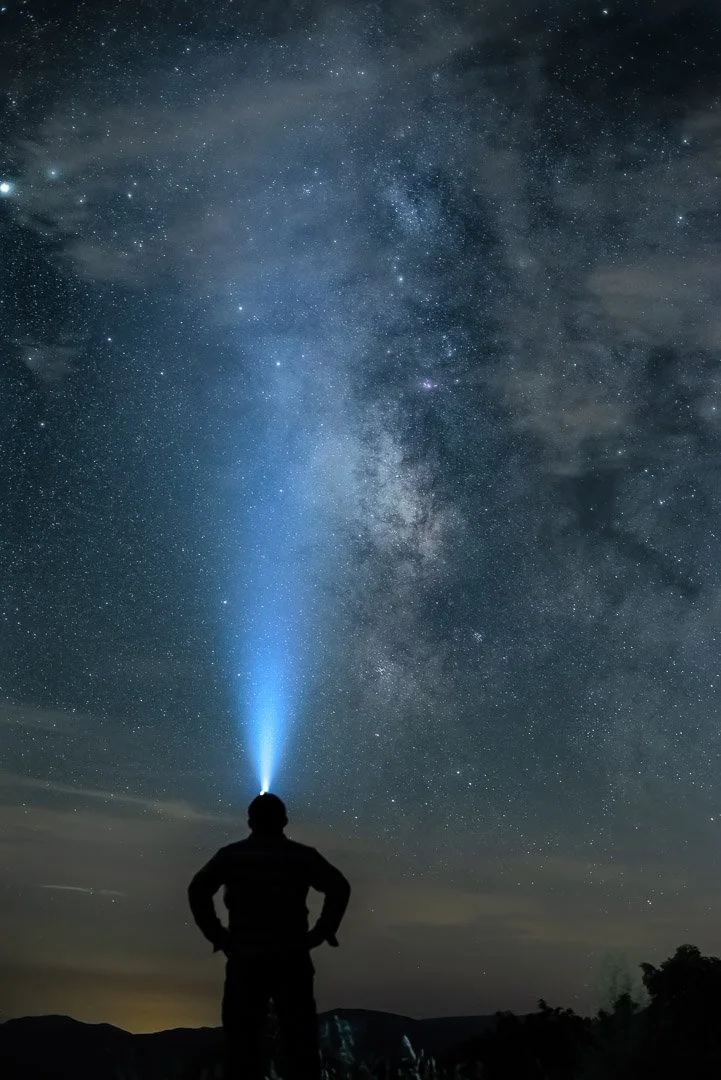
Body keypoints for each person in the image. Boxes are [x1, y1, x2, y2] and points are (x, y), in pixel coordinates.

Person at [188, 792, 351, 1080]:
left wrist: (218, 936)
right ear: (284, 821)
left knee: (242, 1045)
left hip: (246, 960)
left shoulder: (232, 856)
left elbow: (198, 889)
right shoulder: (301, 856)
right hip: (292, 960)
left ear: (250, 821)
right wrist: (322, 931)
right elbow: (339, 886)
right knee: (300, 1045)